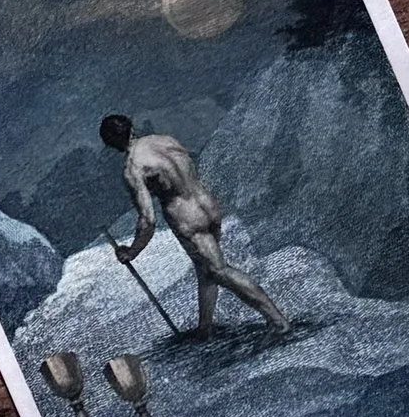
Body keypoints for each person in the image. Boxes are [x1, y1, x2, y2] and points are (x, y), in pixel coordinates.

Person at [100, 110, 292, 336]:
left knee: (218, 270)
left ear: (112, 144)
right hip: (208, 205)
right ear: (131, 128)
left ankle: (277, 320)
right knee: (206, 269)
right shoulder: (164, 140)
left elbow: (148, 220)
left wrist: (132, 252)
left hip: (187, 217)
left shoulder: (133, 167)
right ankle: (205, 328)